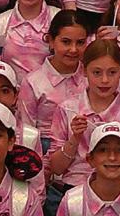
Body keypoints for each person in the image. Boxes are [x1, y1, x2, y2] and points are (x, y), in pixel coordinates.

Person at [46, 39, 120, 216]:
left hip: (118, 194)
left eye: (112, 72)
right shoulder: (67, 109)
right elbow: (56, 167)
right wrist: (74, 139)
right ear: (84, 71)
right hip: (73, 192)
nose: (104, 80)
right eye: (97, 72)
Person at [18, 11, 89, 154]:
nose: (73, 49)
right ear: (51, 41)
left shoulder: (91, 77)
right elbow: (26, 133)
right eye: (66, 42)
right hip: (45, 154)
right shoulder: (33, 82)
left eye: (80, 42)